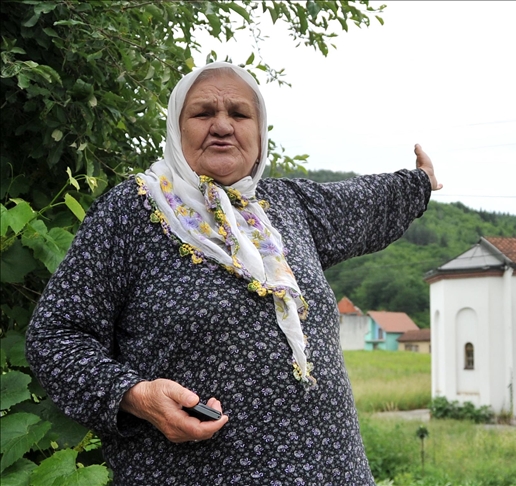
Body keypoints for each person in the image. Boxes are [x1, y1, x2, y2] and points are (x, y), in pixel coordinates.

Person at [26, 61, 441, 485]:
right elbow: (55, 336)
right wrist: (135, 396)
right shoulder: (132, 211)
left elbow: (364, 202)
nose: (222, 125)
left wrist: (419, 182)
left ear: (260, 138)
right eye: (204, 113)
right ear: (176, 127)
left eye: (239, 114)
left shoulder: (286, 207)